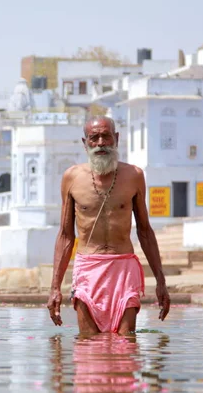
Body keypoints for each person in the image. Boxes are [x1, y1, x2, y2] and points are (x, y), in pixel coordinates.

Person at [46, 116, 171, 335]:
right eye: (94, 138)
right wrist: (55, 287)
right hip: (87, 269)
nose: (101, 143)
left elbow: (144, 231)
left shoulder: (134, 175)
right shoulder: (71, 178)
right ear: (85, 143)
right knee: (88, 345)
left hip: (123, 269)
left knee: (125, 345)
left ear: (117, 139)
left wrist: (161, 280)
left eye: (106, 136)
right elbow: (66, 235)